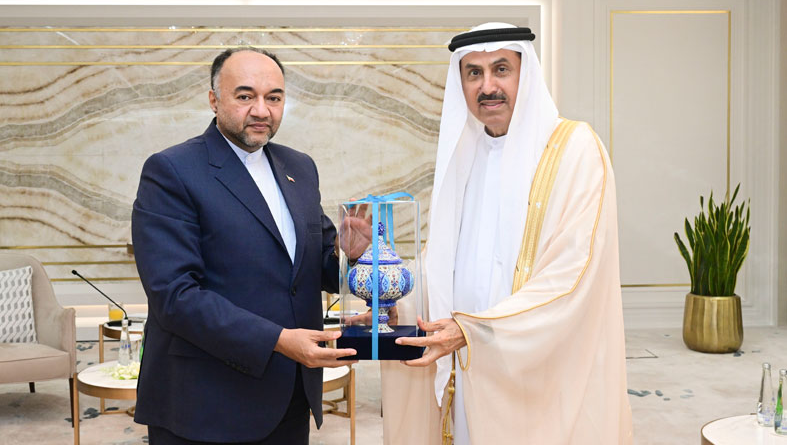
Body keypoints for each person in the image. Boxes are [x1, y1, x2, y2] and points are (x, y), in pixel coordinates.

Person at [381, 23, 633, 444]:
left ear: (525, 73)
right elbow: (439, 266)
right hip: (467, 367)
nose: (488, 87)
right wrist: (390, 299)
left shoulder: (575, 150)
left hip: (540, 374)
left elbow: (574, 274)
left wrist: (475, 330)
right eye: (473, 73)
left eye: (501, 69)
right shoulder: (465, 155)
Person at [131, 47, 366, 445]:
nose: (261, 110)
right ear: (214, 100)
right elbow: (175, 296)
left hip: (290, 397)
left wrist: (349, 254)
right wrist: (279, 340)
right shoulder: (172, 170)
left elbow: (314, 269)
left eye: (274, 97)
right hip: (205, 403)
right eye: (245, 96)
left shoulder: (299, 166)